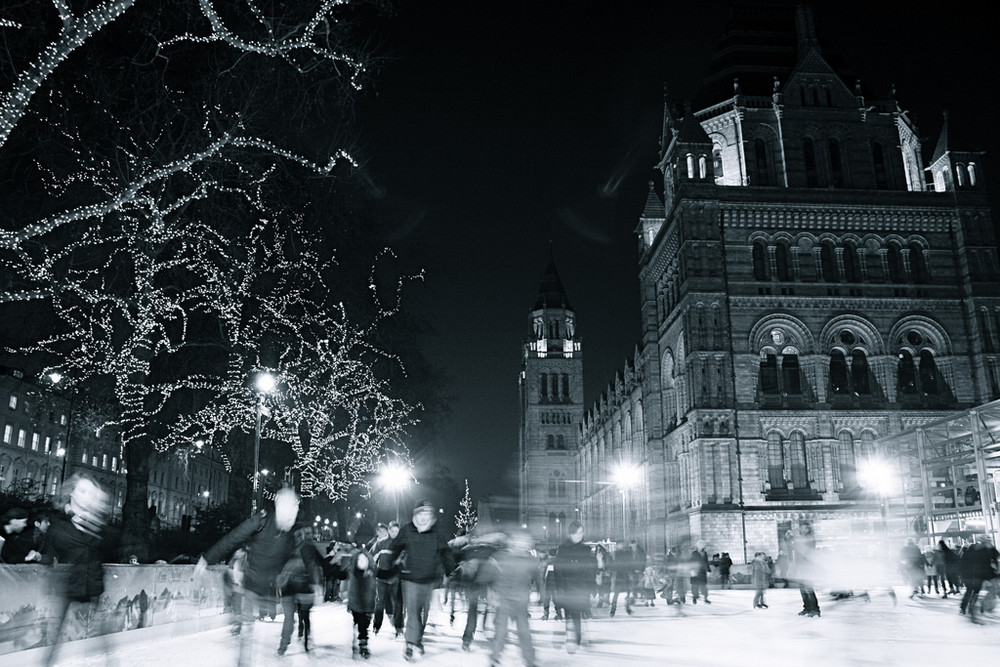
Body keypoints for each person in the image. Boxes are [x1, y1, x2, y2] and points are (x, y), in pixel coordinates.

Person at [195, 487, 300, 664]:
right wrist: (207, 558)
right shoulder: (262, 521)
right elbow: (233, 537)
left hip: (272, 587)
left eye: (295, 510)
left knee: (282, 621)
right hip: (252, 584)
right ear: (280, 507)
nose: (291, 516)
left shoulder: (291, 534)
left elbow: (294, 558)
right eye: (289, 510)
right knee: (247, 632)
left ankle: (281, 645)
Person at [42, 473, 113, 666]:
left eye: (91, 493)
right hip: (67, 585)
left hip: (92, 585)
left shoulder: (98, 527)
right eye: (82, 491)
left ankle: (110, 662)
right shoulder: (59, 524)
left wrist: (94, 521)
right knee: (56, 636)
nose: (86, 496)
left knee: (102, 633)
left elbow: (110, 546)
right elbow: (53, 548)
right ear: (71, 493)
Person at [388, 499, 457, 662]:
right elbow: (395, 546)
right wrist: (392, 559)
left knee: (422, 615)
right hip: (410, 578)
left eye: (428, 514)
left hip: (429, 580)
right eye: (421, 513)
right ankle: (410, 644)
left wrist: (450, 570)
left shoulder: (437, 532)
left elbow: (446, 553)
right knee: (412, 612)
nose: (424, 517)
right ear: (416, 515)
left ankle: (417, 640)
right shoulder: (407, 529)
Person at [489, 530, 538, 667]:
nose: (522, 547)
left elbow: (537, 577)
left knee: (523, 632)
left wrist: (541, 592)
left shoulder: (529, 560)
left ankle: (529, 660)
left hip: (520, 600)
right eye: (520, 544)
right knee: (501, 632)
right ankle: (495, 656)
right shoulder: (503, 558)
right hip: (505, 600)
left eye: (525, 545)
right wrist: (495, 592)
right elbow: (495, 576)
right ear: (514, 544)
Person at [276, 526, 323, 655]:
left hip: (290, 587)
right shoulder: (307, 548)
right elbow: (317, 565)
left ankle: (283, 646)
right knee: (303, 615)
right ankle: (305, 638)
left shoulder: (289, 549)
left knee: (291, 618)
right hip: (299, 586)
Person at [553, 520, 594, 654]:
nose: (579, 535)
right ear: (570, 534)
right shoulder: (563, 549)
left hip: (582, 587)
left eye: (581, 532)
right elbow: (558, 570)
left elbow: (590, 569)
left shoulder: (586, 549)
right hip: (568, 587)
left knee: (577, 613)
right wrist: (560, 587)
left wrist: (592, 586)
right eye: (576, 533)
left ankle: (576, 638)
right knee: (570, 614)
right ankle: (573, 638)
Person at [370, 523, 403, 637]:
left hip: (395, 579)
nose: (394, 533)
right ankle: (376, 625)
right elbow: (371, 556)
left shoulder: (401, 545)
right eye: (392, 531)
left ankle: (398, 627)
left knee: (397, 603)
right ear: (389, 531)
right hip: (382, 578)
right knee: (380, 603)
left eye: (397, 531)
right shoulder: (381, 543)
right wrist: (371, 569)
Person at [959, 534, 999, 623]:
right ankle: (976, 610)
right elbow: (995, 560)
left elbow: (964, 562)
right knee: (980, 592)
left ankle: (970, 609)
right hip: (982, 574)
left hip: (974, 574)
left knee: (975, 592)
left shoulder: (972, 549)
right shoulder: (988, 549)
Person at [347, 545, 377, 658]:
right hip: (356, 604)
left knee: (364, 623)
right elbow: (339, 574)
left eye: (364, 559)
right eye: (360, 559)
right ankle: (362, 642)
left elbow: (385, 574)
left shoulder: (371, 572)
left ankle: (362, 639)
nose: (362, 562)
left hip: (367, 604)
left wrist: (396, 566)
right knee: (360, 622)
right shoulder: (352, 572)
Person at [790, 524, 820, 617]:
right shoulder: (801, 539)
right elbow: (793, 546)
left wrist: (793, 536)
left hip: (808, 567)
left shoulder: (810, 538)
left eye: (803, 528)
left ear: (808, 529)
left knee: (809, 589)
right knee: (803, 589)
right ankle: (807, 608)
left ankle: (815, 609)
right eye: (801, 527)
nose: (801, 529)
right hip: (800, 566)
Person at [540, 548, 561, 620]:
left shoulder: (547, 562)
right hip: (557, 585)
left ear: (549, 554)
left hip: (548, 584)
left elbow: (543, 574)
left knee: (546, 599)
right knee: (557, 600)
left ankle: (546, 615)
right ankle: (559, 614)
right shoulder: (558, 562)